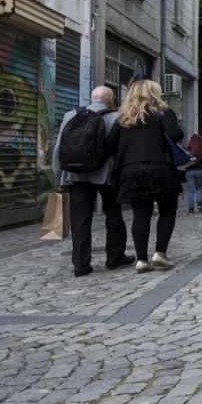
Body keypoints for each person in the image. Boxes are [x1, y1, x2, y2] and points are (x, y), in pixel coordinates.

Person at [52, 86, 134, 277]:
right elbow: (120, 150)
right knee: (113, 214)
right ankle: (115, 255)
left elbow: (58, 148)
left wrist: (59, 177)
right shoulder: (115, 117)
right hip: (106, 174)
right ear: (110, 99)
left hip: (76, 174)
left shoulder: (71, 115)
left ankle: (81, 264)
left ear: (91, 99)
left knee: (80, 219)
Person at [106, 79, 182, 274]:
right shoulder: (162, 114)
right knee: (167, 209)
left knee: (141, 213)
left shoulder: (123, 119)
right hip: (159, 167)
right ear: (154, 94)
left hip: (131, 171)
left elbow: (109, 144)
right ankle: (160, 253)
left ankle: (141, 259)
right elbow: (176, 135)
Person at [184, 134, 202, 214]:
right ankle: (199, 204)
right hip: (200, 170)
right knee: (199, 188)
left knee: (191, 191)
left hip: (189, 171)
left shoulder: (187, 150)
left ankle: (191, 209)